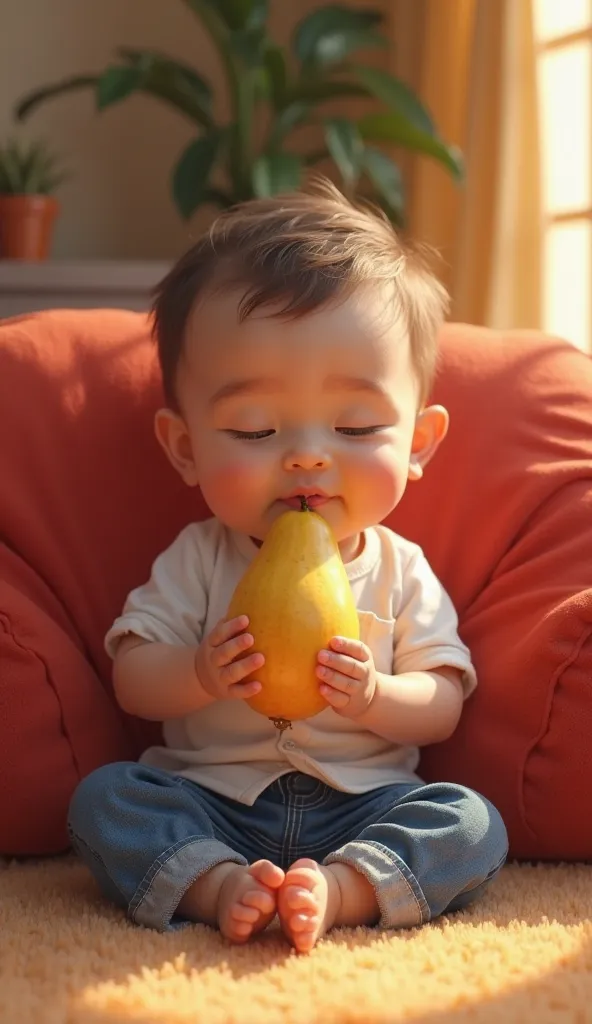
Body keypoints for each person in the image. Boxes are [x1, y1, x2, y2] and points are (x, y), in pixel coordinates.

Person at [67, 180, 508, 954]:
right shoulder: (199, 557)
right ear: (185, 448)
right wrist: (200, 673)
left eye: (356, 423)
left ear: (417, 444)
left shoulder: (401, 567)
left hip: (364, 803)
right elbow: (132, 676)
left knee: (472, 822)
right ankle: (212, 881)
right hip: (208, 797)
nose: (307, 453)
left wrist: (376, 694)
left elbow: (441, 702)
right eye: (255, 426)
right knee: (104, 800)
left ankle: (346, 887)